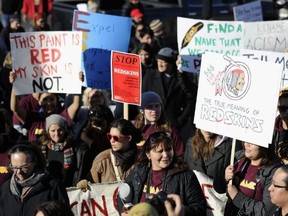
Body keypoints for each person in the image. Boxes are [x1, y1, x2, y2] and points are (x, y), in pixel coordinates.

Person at [117, 131, 207, 216]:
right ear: (148, 154)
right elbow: (121, 197)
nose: (165, 155)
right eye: (159, 151)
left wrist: (181, 211)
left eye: (168, 149)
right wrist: (125, 211)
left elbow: (200, 209)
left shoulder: (186, 176)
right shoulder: (138, 171)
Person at [9, 71, 83, 142]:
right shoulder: (33, 118)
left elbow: (76, 105)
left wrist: (78, 83)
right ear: (39, 102)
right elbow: (15, 108)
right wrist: (14, 85)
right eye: (45, 100)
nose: (48, 103)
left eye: (51, 99)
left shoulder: (62, 116)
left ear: (56, 100)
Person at [0, 143, 69, 216]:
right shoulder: (5, 189)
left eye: (24, 167)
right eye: (14, 167)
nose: (19, 172)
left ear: (35, 161)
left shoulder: (53, 186)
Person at [214, 142, 280, 216]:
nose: (247, 145)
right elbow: (218, 188)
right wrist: (225, 178)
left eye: (253, 142)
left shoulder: (274, 172)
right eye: (246, 140)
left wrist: (237, 197)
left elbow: (265, 211)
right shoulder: (238, 158)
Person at [76, 118, 142, 189]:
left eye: (116, 138)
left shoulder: (142, 159)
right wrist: (85, 183)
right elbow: (91, 185)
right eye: (109, 136)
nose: (111, 141)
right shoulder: (103, 159)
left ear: (129, 138)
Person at [142, 47, 193, 131]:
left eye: (163, 62)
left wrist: (181, 120)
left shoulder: (181, 78)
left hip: (173, 125)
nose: (160, 64)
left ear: (171, 63)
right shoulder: (150, 77)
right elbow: (142, 98)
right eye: (158, 61)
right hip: (152, 123)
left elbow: (189, 99)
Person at [134, 91, 185, 158]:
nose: (154, 110)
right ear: (142, 110)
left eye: (157, 106)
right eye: (150, 107)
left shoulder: (169, 129)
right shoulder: (136, 130)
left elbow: (180, 154)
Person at [73, 104, 114, 185]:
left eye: (102, 125)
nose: (99, 128)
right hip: (90, 174)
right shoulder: (85, 137)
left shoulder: (114, 136)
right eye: (96, 125)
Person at [37, 114, 76, 187]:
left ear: (65, 130)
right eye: (53, 131)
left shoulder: (74, 147)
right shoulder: (42, 149)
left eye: (60, 130)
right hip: (48, 189)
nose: (56, 134)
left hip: (69, 189)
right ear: (48, 132)